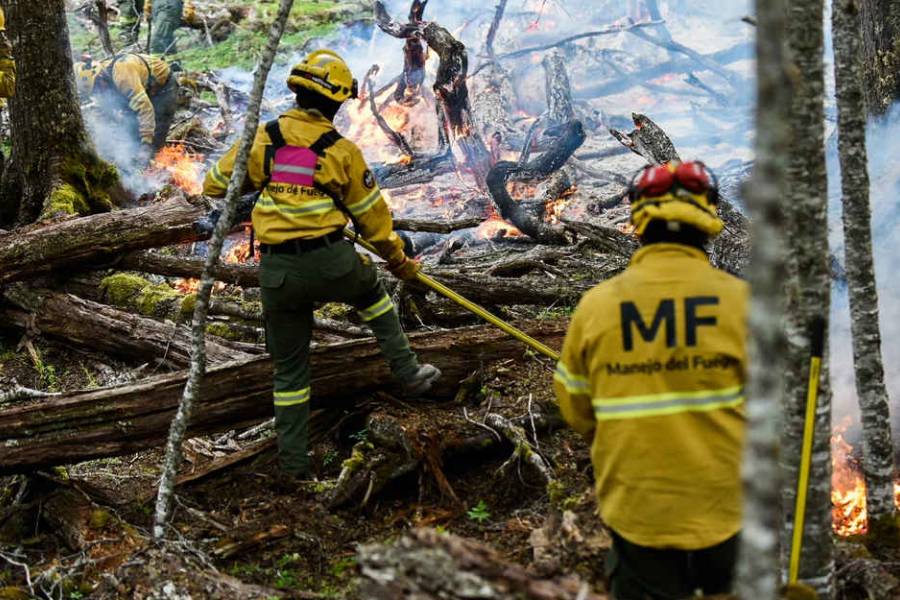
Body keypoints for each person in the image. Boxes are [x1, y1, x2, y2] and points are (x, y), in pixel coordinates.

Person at [202, 49, 441, 484]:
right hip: (332, 261)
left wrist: (271, 176)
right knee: (373, 297)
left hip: (277, 273)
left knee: (290, 373)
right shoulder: (341, 150)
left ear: (297, 93)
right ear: (335, 104)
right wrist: (400, 262)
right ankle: (407, 371)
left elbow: (215, 182)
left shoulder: (264, 138)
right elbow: (373, 221)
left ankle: (294, 468)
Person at [554, 161, 748, 599]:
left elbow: (575, 408)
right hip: (728, 505)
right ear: (709, 224)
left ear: (638, 225)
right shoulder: (742, 304)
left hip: (639, 507)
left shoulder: (596, 307)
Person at [74, 52, 179, 158]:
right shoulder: (104, 78)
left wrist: (146, 145)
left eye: (97, 87)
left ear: (100, 76)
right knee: (133, 131)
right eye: (94, 91)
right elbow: (109, 113)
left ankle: (154, 165)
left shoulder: (122, 75)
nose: (99, 92)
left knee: (155, 137)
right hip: (143, 88)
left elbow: (145, 108)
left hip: (163, 87)